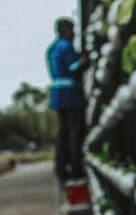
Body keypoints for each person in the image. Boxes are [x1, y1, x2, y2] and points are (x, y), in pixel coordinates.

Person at [46, 17, 87, 182]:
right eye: (72, 30)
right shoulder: (66, 46)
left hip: (57, 95)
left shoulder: (51, 49)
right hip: (71, 95)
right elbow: (73, 67)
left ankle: (61, 168)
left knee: (63, 133)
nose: (75, 34)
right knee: (75, 133)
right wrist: (84, 61)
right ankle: (76, 168)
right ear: (65, 31)